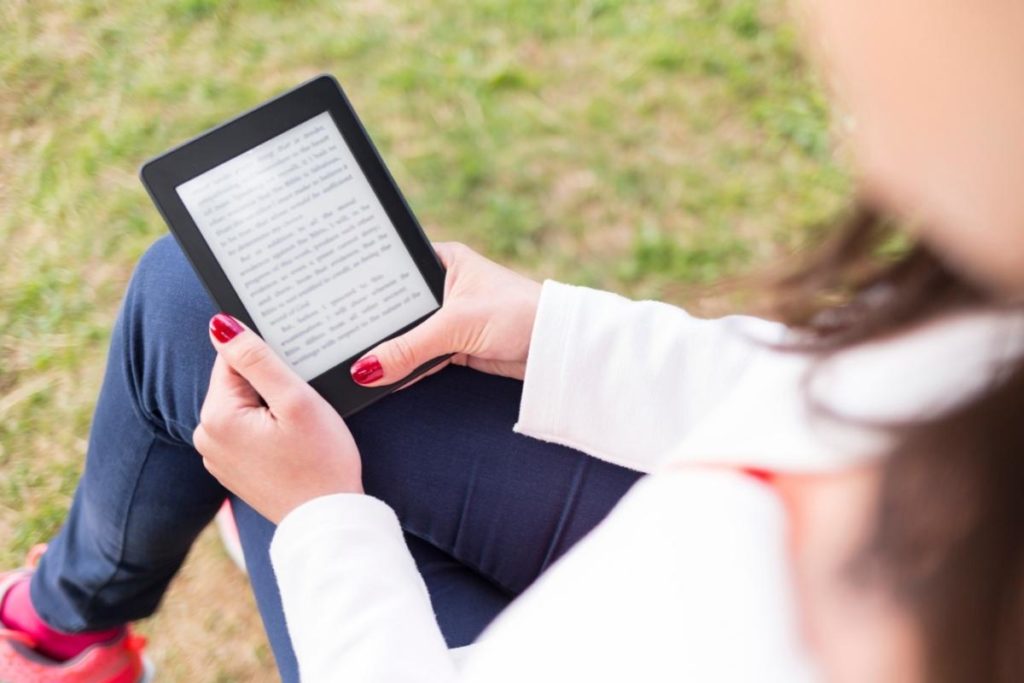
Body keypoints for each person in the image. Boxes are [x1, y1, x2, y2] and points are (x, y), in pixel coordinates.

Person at [2, 0, 1023, 681]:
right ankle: (74, 619)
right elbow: (810, 387)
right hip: (686, 508)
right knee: (207, 300)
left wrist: (323, 526)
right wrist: (557, 332)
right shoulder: (985, 330)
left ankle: (59, 630)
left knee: (243, 388)